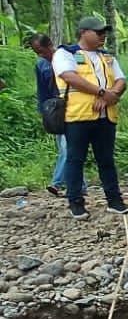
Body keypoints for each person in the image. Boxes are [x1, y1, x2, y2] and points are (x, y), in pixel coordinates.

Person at [53, 16, 128, 220]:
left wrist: (107, 98)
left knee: (106, 160)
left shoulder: (107, 57)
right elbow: (70, 77)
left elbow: (121, 80)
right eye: (98, 32)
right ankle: (75, 202)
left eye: (104, 32)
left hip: (105, 117)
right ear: (83, 32)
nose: (102, 36)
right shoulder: (65, 53)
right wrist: (104, 93)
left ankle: (115, 201)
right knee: (75, 159)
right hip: (78, 116)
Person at [30, 33, 74, 198]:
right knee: (66, 148)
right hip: (55, 110)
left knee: (68, 149)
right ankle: (79, 184)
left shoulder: (65, 59)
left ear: (50, 46)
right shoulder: (41, 65)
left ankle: (56, 182)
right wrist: (43, 112)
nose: (40, 55)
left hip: (71, 105)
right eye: (37, 52)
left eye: (41, 50)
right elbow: (42, 91)